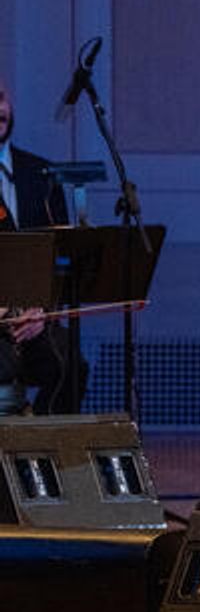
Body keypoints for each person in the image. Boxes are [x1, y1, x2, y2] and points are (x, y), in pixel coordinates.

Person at [0, 75, 79, 415]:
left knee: (71, 366)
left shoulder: (41, 173)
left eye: (0, 98)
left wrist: (42, 314)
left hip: (33, 319)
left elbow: (60, 257)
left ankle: (45, 457)